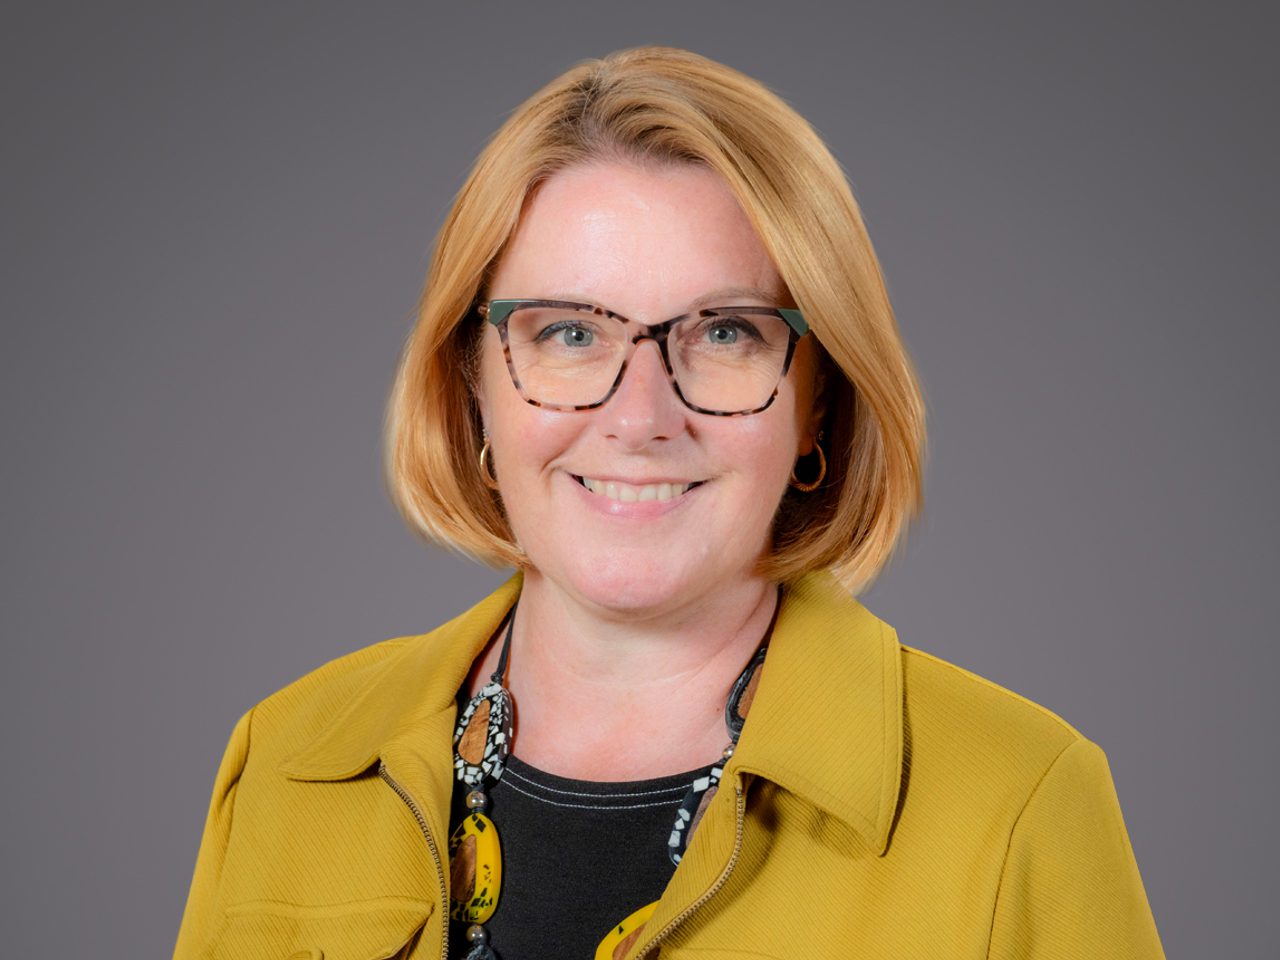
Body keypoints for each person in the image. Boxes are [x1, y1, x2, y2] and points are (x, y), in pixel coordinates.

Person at [173, 46, 1165, 960]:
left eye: (725, 333)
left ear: (818, 401)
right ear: (471, 382)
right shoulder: (289, 760)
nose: (639, 416)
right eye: (567, 334)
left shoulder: (1018, 800)